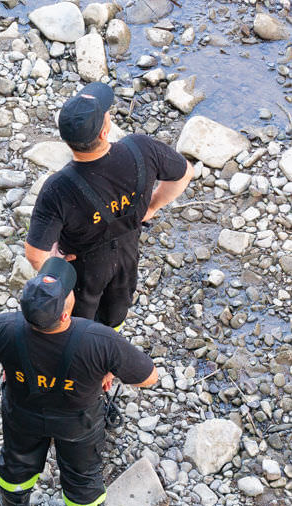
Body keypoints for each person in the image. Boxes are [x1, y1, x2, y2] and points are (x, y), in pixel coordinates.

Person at [0, 257, 158, 506]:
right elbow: (149, 377)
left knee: (17, 463)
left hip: (22, 413)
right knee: (83, 475)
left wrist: (11, 360)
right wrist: (109, 368)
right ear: (65, 316)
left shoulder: (4, 328)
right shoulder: (99, 340)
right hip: (78, 423)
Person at [25, 82, 194, 330]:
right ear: (104, 133)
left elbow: (35, 254)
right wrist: (153, 206)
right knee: (117, 310)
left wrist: (57, 266)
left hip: (82, 268)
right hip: (126, 255)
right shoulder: (141, 149)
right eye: (106, 113)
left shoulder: (58, 188)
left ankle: (84, 349)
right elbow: (184, 173)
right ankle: (109, 344)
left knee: (80, 320)